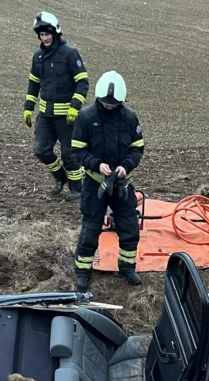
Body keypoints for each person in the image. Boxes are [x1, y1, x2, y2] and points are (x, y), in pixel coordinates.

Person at [70, 70, 145, 290]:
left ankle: (127, 267)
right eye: (106, 103)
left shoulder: (130, 118)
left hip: (122, 183)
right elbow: (77, 150)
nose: (110, 106)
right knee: (91, 227)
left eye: (114, 104)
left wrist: (126, 166)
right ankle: (83, 270)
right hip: (95, 183)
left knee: (129, 225)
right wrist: (96, 164)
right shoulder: (86, 117)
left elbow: (137, 148)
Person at [23, 12, 90, 201]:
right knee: (41, 150)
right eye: (41, 34)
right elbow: (34, 83)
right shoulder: (38, 57)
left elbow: (82, 81)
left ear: (55, 32)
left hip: (67, 117)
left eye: (47, 34)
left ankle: (77, 188)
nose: (44, 38)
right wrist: (28, 107)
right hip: (45, 116)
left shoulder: (70, 53)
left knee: (70, 155)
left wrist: (75, 107)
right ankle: (60, 178)